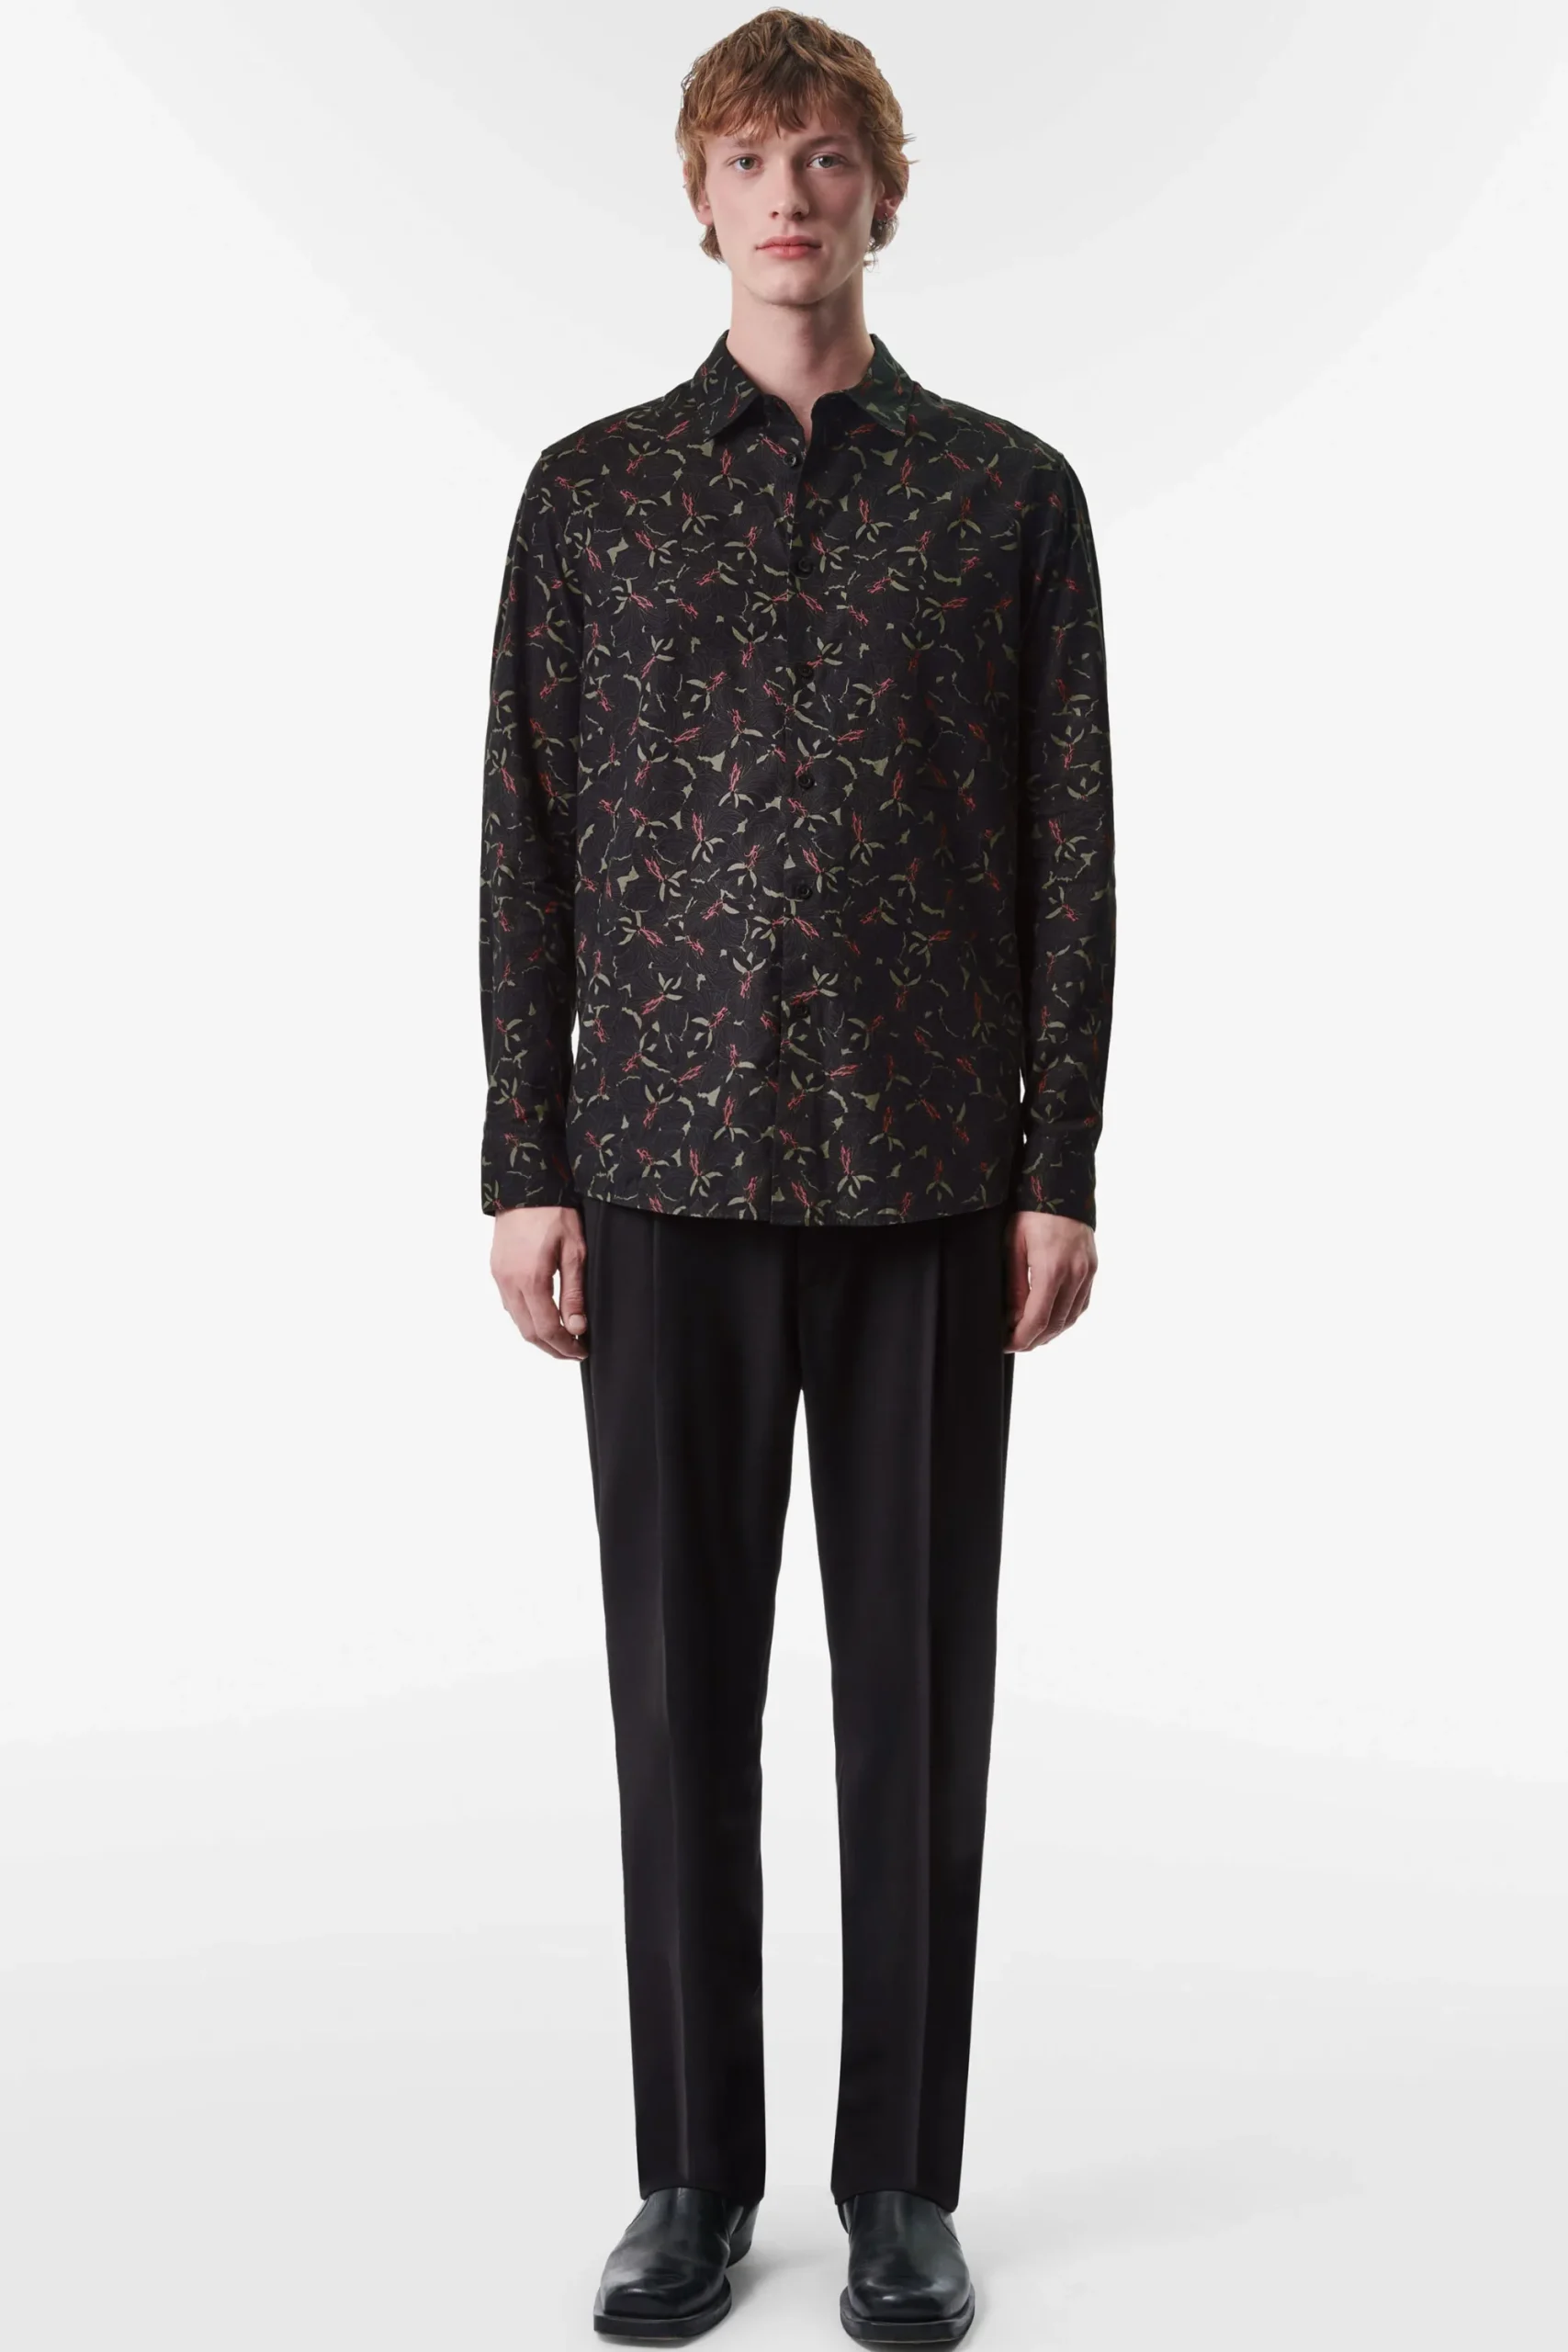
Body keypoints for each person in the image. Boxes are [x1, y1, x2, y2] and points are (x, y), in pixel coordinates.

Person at [479, 10, 1115, 2340]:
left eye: (827, 155)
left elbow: (1071, 843)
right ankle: (688, 2174)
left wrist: (1059, 1155)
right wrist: (524, 1154)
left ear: (882, 194)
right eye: (749, 158)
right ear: (698, 197)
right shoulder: (595, 494)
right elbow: (522, 836)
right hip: (658, 1168)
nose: (788, 194)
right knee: (681, 1702)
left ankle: (902, 2186)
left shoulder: (1006, 497)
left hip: (932, 1177)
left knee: (911, 1703)